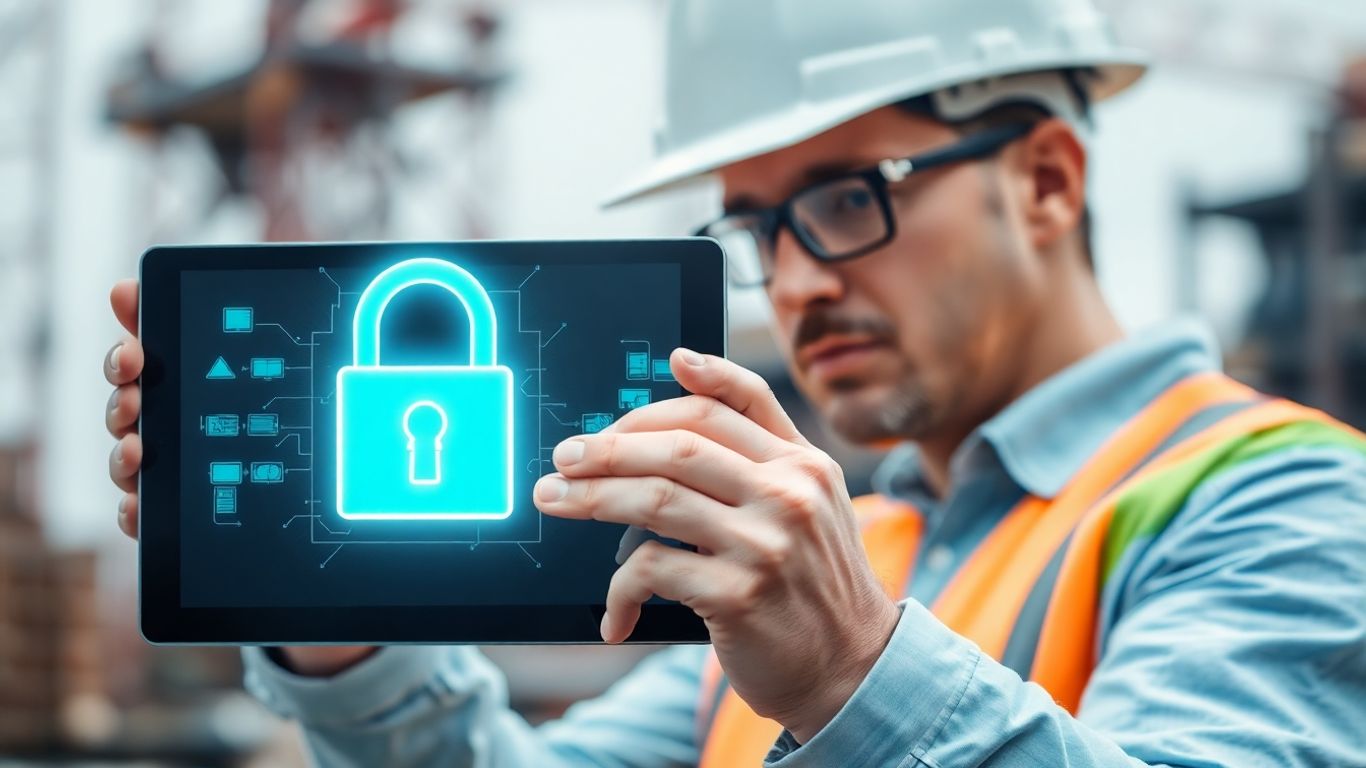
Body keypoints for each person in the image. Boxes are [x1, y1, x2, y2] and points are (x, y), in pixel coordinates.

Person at [103, 0, 1366, 765]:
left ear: (1044, 179)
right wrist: (340, 634)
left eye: (841, 198)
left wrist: (850, 677)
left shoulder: (1283, 500)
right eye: (758, 227)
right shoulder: (850, 544)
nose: (796, 282)